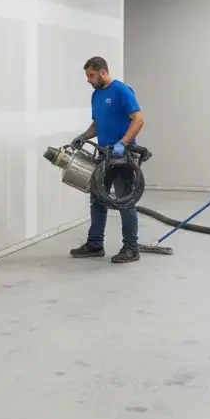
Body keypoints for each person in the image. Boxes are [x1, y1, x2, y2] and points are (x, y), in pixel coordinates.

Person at [67, 56, 146, 264]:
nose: (88, 80)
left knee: (124, 200)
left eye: (91, 75)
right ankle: (95, 244)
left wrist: (123, 143)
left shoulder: (121, 90)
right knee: (97, 199)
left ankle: (131, 248)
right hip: (104, 156)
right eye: (87, 76)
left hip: (122, 157)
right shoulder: (96, 95)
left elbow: (138, 119)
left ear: (103, 72)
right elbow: (96, 124)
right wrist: (84, 136)